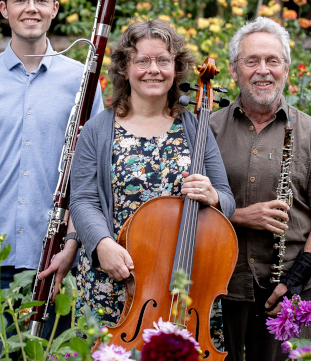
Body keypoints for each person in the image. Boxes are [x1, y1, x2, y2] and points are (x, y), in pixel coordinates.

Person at [0, 0, 102, 351]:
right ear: (4, 8)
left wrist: (70, 244)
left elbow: (88, 173)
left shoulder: (82, 80)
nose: (29, 8)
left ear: (53, 9)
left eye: (40, 0)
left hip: (53, 256)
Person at [68, 19, 235, 338]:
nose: (153, 70)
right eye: (142, 60)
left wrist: (213, 197)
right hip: (116, 274)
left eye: (163, 60)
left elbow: (226, 200)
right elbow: (83, 199)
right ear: (125, 68)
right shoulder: (98, 131)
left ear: (176, 67)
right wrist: (102, 244)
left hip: (184, 282)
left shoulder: (196, 128)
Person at [209, 17, 311, 360]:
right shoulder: (206, 129)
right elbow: (189, 206)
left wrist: (295, 282)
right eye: (251, 61)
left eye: (273, 61)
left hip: (292, 289)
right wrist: (239, 215)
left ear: (287, 68)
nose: (262, 71)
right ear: (234, 70)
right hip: (222, 286)